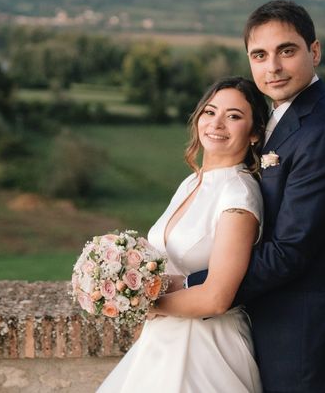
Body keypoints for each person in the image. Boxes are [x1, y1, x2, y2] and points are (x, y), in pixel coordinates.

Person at [187, 0, 325, 392]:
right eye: (260, 55)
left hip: (308, 336)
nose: (272, 67)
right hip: (274, 326)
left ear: (314, 52)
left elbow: (290, 250)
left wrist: (195, 287)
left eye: (286, 51)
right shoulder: (282, 118)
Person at [98, 77, 269, 393]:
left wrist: (142, 304)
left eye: (233, 116)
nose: (216, 123)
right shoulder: (191, 184)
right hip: (160, 343)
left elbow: (217, 298)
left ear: (255, 133)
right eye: (210, 111)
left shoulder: (238, 195)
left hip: (206, 348)